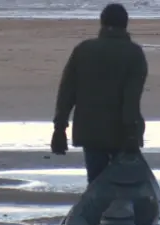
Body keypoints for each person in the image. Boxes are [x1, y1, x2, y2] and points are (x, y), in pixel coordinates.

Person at [50, 3, 148, 184]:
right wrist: (131, 133)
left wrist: (59, 128)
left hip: (90, 130)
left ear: (101, 23)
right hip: (122, 132)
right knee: (123, 187)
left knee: (96, 182)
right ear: (125, 25)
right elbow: (131, 98)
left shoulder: (83, 50)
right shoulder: (134, 53)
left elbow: (67, 91)